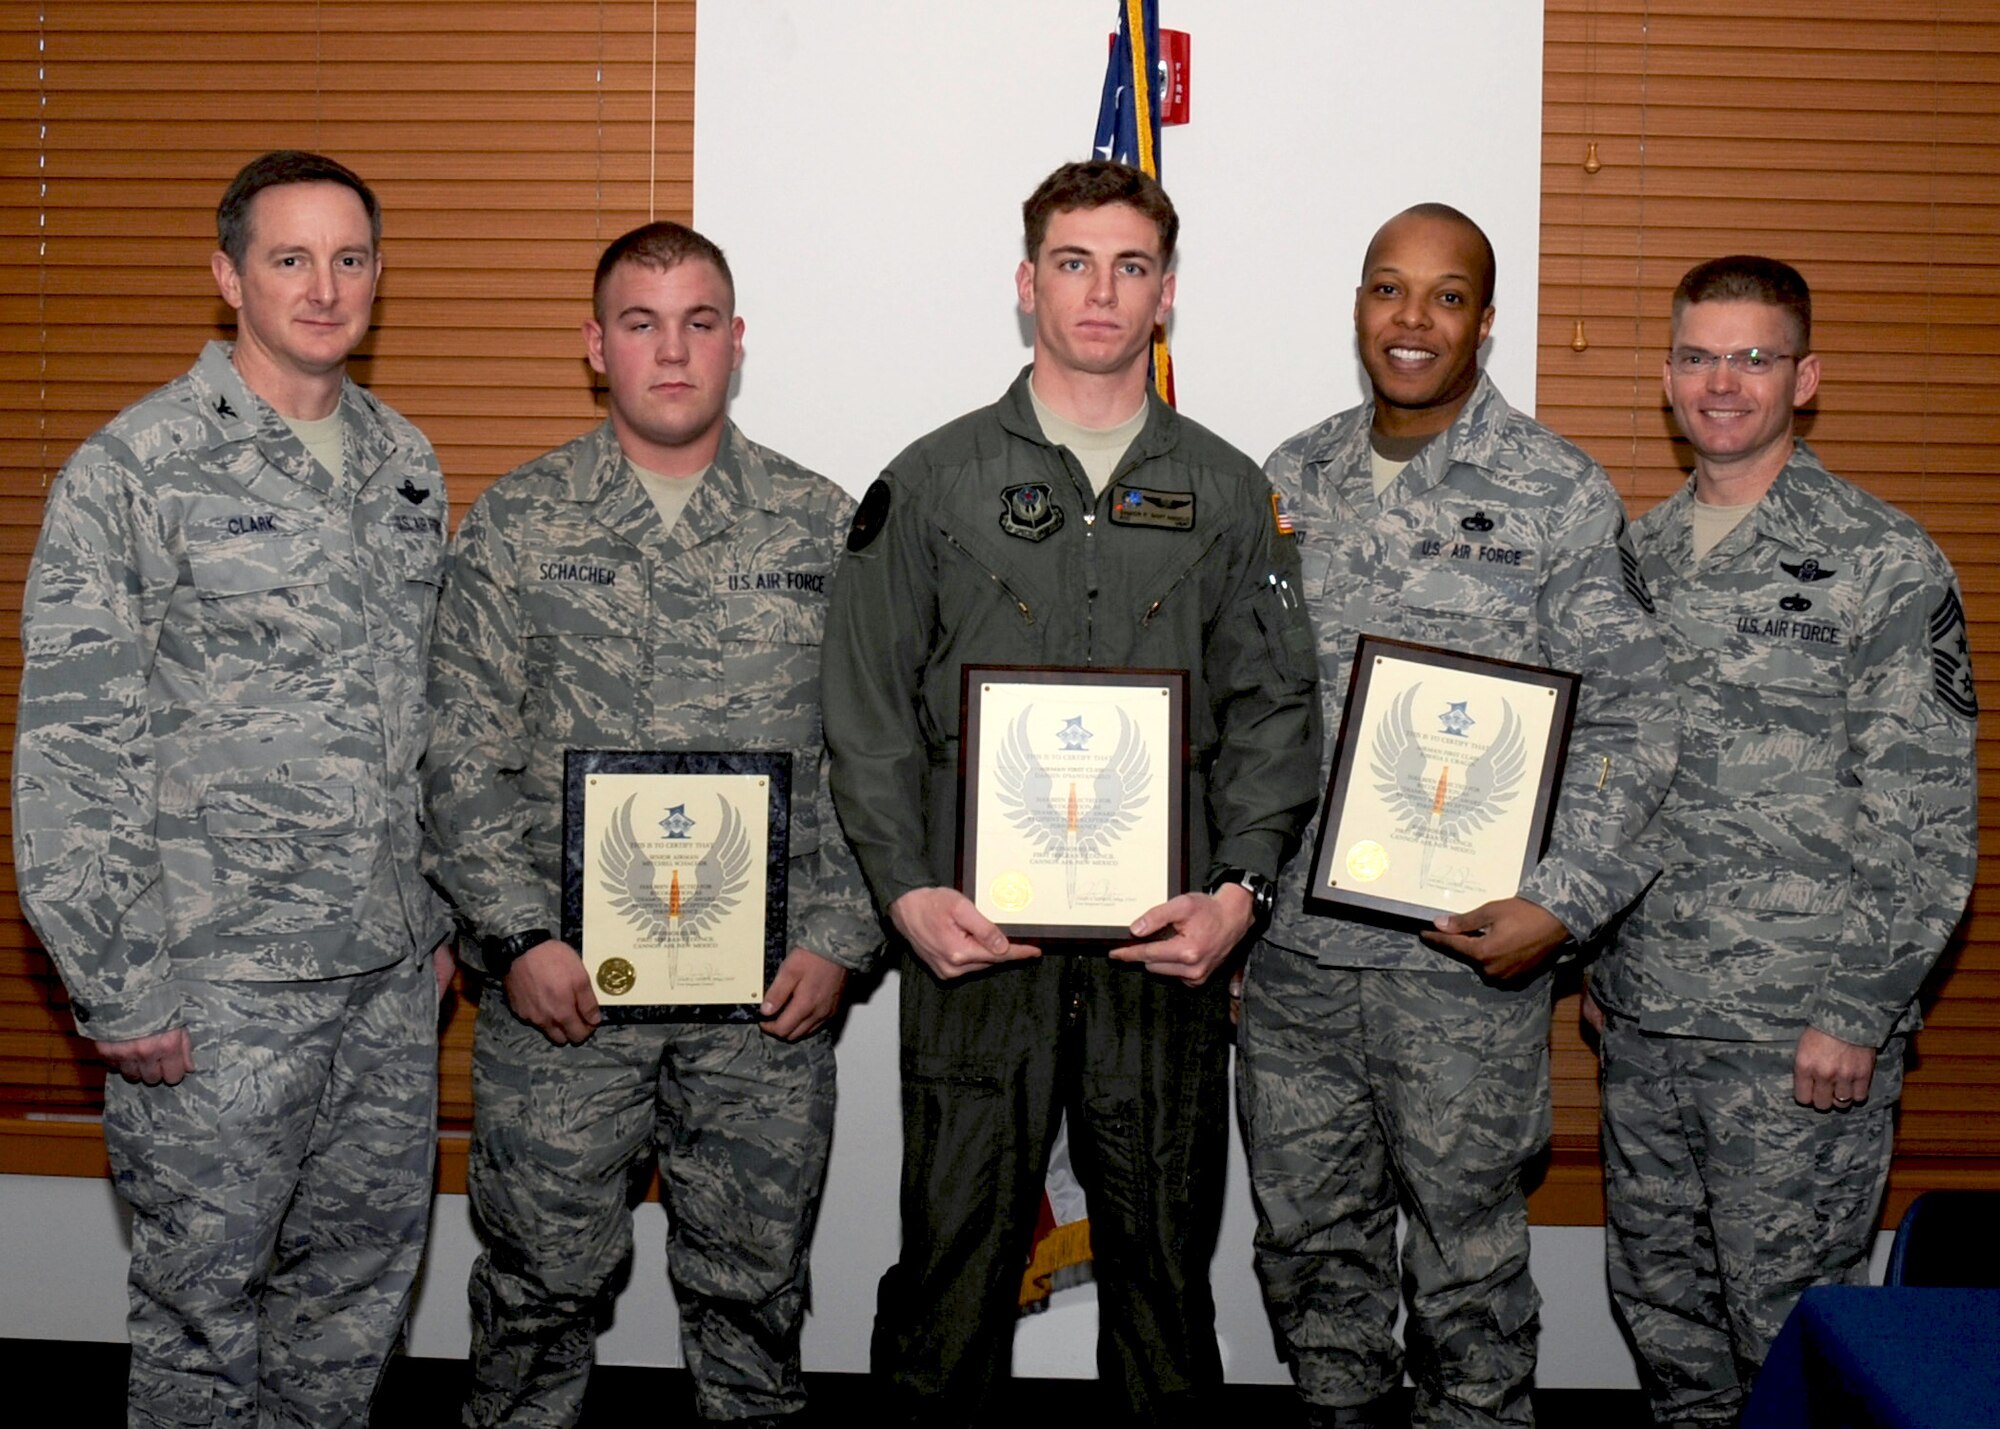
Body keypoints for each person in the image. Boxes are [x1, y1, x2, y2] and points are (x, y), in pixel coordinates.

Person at [821, 158, 1321, 1426]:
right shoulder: (929, 481)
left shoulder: (1222, 490)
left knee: (1162, 1289)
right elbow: (868, 712)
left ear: (1166, 295)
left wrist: (1240, 894)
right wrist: (904, 891)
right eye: (1073, 261)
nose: (1101, 291)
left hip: (1162, 953)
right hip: (975, 947)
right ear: (1025, 282)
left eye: (1131, 266)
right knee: (952, 1274)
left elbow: (1273, 711)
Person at [12, 150, 451, 1429]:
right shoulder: (134, 469)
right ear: (227, 275)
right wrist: (116, 980)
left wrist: (431, 924)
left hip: (381, 984)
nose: (325, 287)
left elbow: (418, 716)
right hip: (215, 994)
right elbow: (74, 744)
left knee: (353, 1307)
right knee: (204, 1325)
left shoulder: (404, 462)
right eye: (290, 258)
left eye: (351, 258)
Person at [423, 220, 877, 1428]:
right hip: (563, 1001)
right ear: (595, 345)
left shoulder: (823, 527)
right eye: (639, 322)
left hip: (764, 1006)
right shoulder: (517, 526)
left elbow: (874, 760)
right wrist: (517, 938)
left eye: (697, 322)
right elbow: (460, 752)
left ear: (735, 343)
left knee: (753, 1296)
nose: (670, 352)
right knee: (538, 1293)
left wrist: (838, 936)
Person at [1239, 203, 1679, 1428]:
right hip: (1295, 970)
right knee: (1309, 1256)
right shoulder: (1285, 480)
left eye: (1445, 295)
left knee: (1469, 1274)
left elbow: (1636, 723)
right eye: (1389, 289)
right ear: (1357, 309)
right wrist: (1227, 897)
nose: (1412, 319)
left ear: (1484, 320)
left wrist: (1561, 901)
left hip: (1463, 969)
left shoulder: (1556, 493)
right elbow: (1238, 708)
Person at [1585, 255, 1978, 1426]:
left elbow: (1923, 811)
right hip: (1647, 1024)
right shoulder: (1630, 561)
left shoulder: (1879, 560)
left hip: (1795, 1039)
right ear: (1664, 377)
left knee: (1788, 1338)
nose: (1723, 382)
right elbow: (1600, 778)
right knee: (1665, 1329)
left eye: (1752, 358)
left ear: (1802, 379)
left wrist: (1857, 1009)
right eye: (1699, 356)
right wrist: (1598, 965)